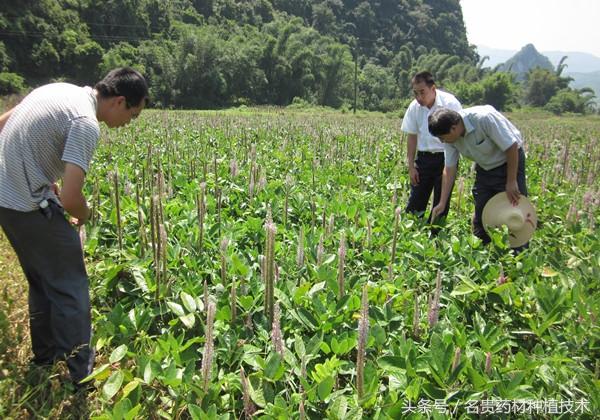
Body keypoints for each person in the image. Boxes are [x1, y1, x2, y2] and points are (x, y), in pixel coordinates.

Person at [0, 67, 148, 388]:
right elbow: (70, 199)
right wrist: (87, 213)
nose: (128, 124)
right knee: (70, 286)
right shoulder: (85, 124)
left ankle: (45, 355)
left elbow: (6, 121)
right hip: (27, 205)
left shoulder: (59, 90)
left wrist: (30, 172)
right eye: (132, 115)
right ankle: (81, 374)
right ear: (119, 102)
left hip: (5, 200)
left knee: (41, 279)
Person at [428, 105, 529, 247]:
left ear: (454, 128)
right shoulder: (451, 139)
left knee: (513, 209)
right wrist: (442, 202)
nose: (442, 142)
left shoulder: (483, 119)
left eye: (442, 138)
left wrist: (511, 181)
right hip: (484, 166)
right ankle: (481, 252)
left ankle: (517, 255)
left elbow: (511, 147)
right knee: (482, 211)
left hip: (509, 161)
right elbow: (449, 169)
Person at [401, 71, 462, 222]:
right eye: (415, 93)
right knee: (414, 205)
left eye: (422, 92)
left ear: (433, 88)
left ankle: (435, 239)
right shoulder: (414, 107)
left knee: (441, 205)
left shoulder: (450, 103)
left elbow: (459, 131)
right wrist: (411, 166)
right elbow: (412, 136)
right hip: (424, 158)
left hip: (446, 157)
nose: (419, 98)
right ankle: (410, 236)